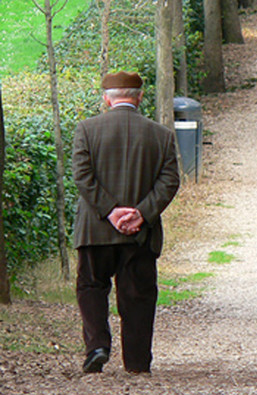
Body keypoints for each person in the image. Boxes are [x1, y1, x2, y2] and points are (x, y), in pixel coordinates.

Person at [72, 71, 180, 374]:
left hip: (95, 229)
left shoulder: (87, 129)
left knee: (92, 287)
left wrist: (110, 211)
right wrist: (141, 214)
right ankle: (137, 361)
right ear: (140, 97)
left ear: (107, 98)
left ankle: (97, 346)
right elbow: (169, 181)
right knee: (138, 294)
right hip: (140, 234)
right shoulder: (161, 134)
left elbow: (82, 176)